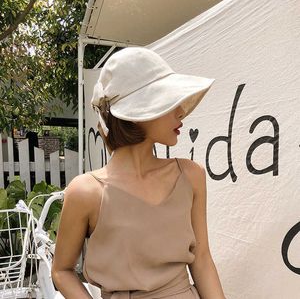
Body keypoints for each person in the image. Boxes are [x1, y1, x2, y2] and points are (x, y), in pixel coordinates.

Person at [51, 47, 226, 299]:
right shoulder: (85, 192)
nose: (181, 112)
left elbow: (202, 259)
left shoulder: (191, 175)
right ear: (135, 114)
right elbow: (62, 270)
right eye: (169, 102)